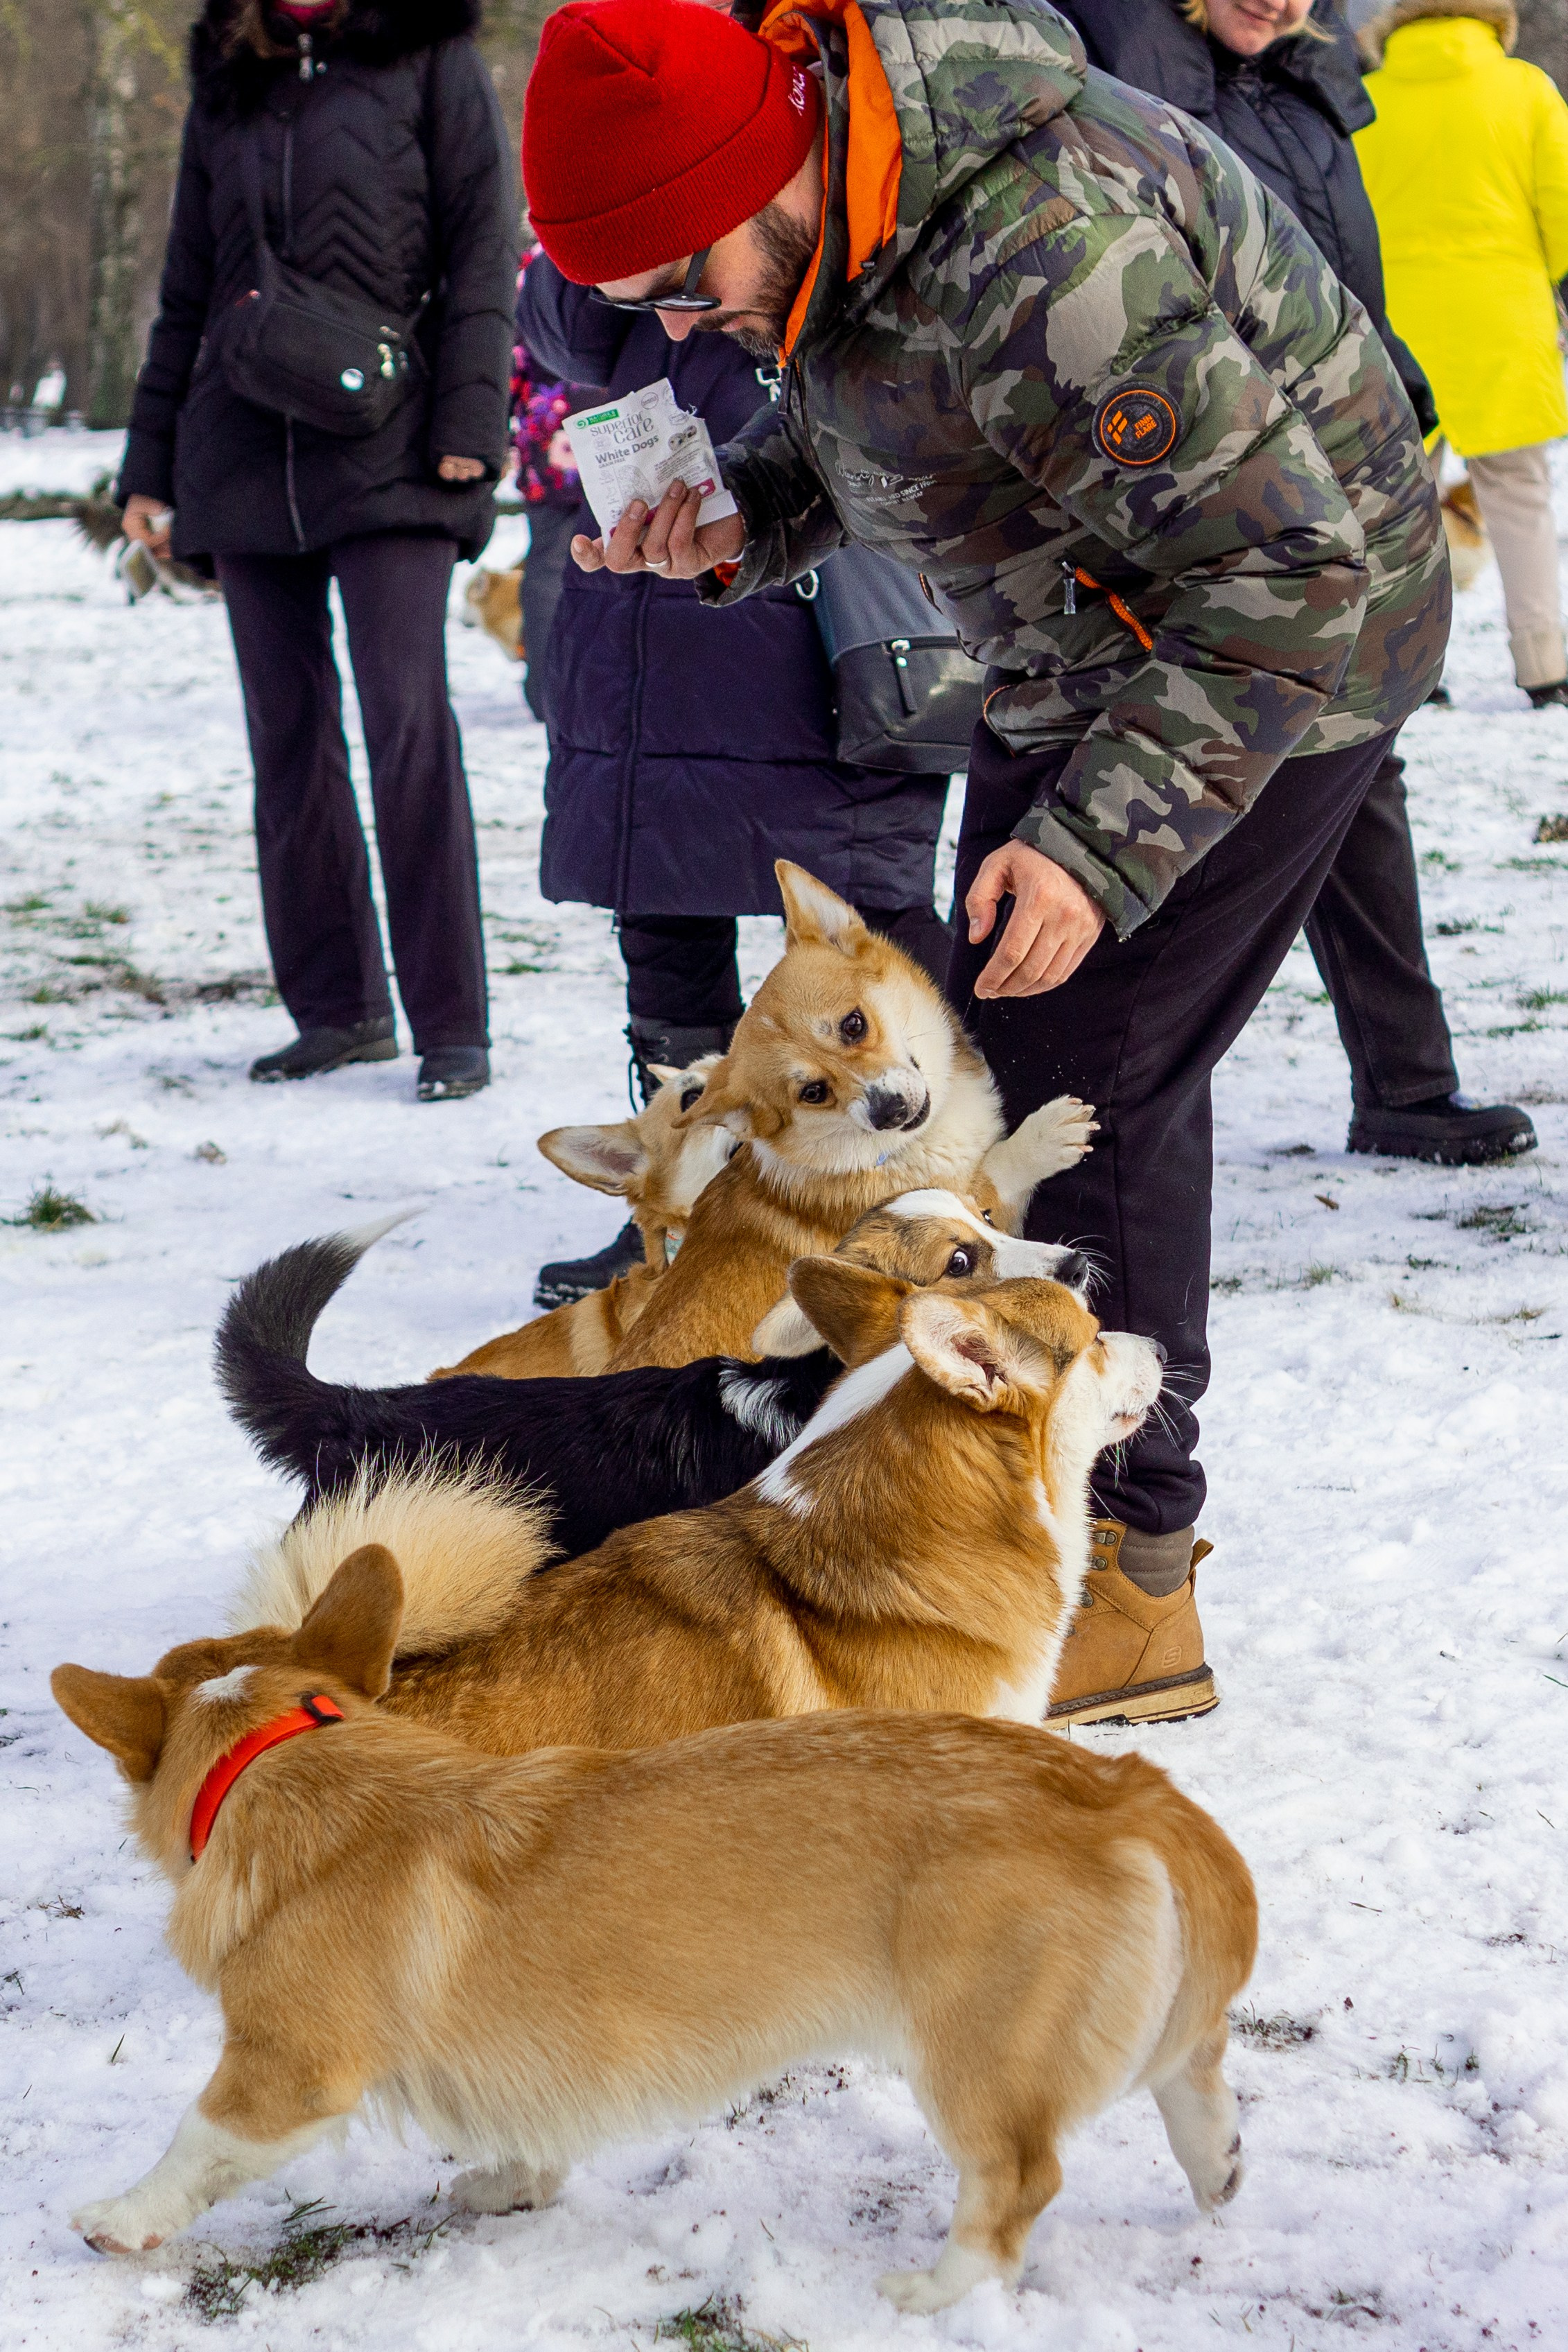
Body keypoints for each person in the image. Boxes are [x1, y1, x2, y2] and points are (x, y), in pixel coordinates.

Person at [520, 0, 1454, 1718]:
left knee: (1077, 1080)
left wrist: (1096, 846)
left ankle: (1130, 1565)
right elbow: (869, 402)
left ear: (761, 166)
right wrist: (749, 504)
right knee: (1014, 1064)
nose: (680, 323)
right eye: (641, 307)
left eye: (678, 281)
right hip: (1082, 633)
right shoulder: (842, 202)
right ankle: (1033, 1493)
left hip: (1283, 646)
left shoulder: (1046, 249)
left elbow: (1292, 573)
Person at [1049, 0, 1533, 1169]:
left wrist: (1387, 370)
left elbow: (1330, 270)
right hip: (1195, 489)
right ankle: (1076, 1109)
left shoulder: (1303, 80)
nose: (1283, 0)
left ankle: (1405, 1084)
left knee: (1357, 764)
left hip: (1332, 469)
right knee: (1159, 788)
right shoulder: (1117, 65)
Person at [516, 245, 954, 1307]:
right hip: (652, 595)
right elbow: (560, 331)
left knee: (872, 921)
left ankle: (930, 1198)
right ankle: (700, 1211)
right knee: (663, 912)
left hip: (825, 594)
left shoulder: (814, 160)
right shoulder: (620, 244)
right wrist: (589, 234)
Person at [116, 0, 516, 1102]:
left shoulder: (428, 53)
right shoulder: (230, 70)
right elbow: (187, 286)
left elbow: (484, 247)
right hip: (242, 453)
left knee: (405, 723)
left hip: (394, 444)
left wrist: (468, 436)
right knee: (286, 742)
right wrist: (148, 466)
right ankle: (338, 1012)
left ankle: (450, 1025)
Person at [1356, 1, 1568, 706]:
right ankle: (1544, 666)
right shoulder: (1525, 89)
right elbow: (1561, 209)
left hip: (1398, 328)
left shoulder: (1367, 101)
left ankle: (1414, 670)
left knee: (1402, 503)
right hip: (1503, 323)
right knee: (1520, 495)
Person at [510, 249, 603, 727]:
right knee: (618, 560)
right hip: (613, 426)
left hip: (548, 436)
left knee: (548, 567)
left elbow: (510, 357)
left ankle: (544, 690)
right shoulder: (608, 253)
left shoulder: (530, 268)